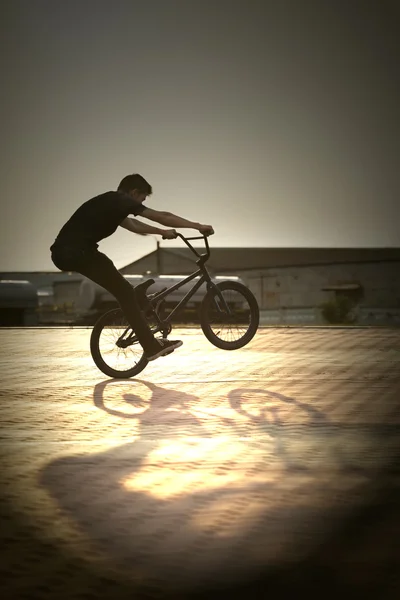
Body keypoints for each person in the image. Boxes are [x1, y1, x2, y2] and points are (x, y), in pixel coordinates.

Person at [50, 173, 214, 361]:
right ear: (134, 193)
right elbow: (161, 216)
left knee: (116, 279)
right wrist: (197, 226)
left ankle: (138, 298)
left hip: (68, 252)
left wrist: (161, 232)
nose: (141, 203)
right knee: (124, 292)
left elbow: (133, 225)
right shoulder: (120, 200)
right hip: (75, 251)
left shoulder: (111, 203)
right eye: (141, 199)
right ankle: (150, 345)